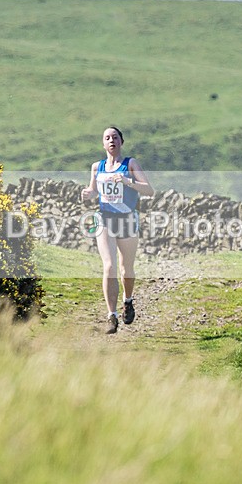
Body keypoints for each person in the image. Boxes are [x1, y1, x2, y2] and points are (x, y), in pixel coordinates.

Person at [81, 126, 154, 334]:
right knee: (109, 266)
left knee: (126, 268)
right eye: (107, 138)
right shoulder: (97, 167)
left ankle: (128, 301)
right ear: (103, 144)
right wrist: (88, 193)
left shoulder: (130, 164)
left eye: (115, 137)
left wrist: (128, 181)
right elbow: (94, 191)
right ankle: (111, 316)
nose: (111, 140)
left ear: (121, 141)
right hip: (104, 219)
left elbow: (149, 190)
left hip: (128, 219)